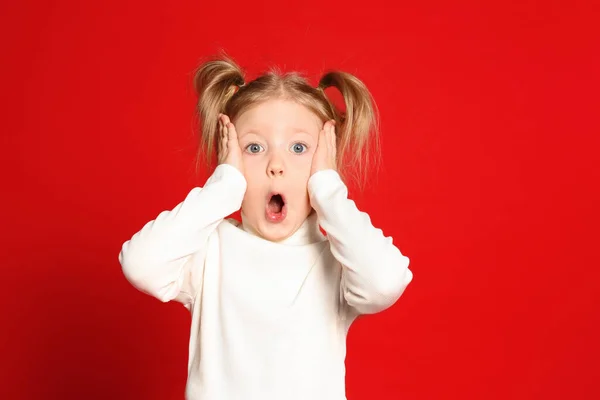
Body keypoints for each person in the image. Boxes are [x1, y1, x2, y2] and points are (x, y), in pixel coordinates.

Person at [119, 54, 413, 400]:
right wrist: (223, 189)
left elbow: (385, 281)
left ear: (324, 164)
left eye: (299, 148)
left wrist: (329, 191)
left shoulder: (337, 262)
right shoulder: (211, 253)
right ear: (230, 159)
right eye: (254, 148)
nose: (276, 165)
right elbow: (141, 264)